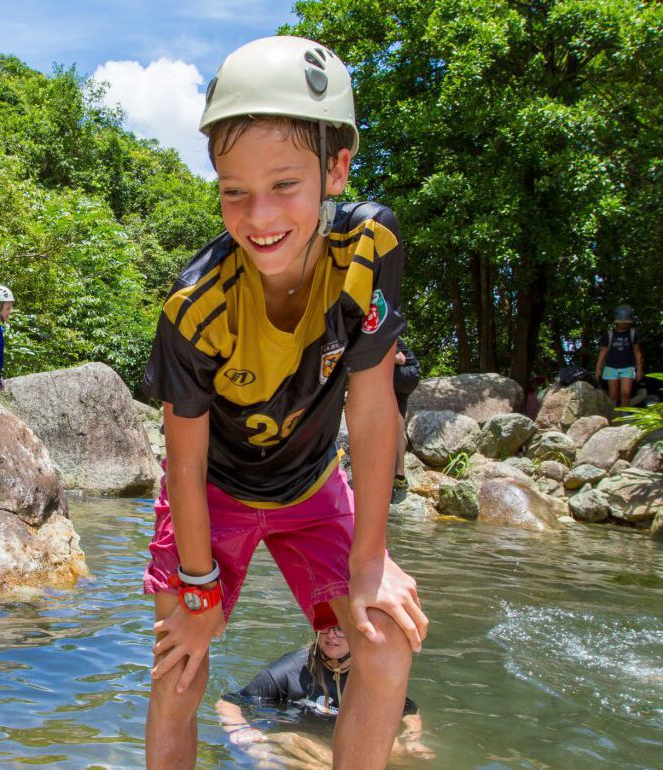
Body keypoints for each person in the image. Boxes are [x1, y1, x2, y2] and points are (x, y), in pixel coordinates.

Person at [141, 36, 426, 770]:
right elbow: (184, 457)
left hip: (310, 486)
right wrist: (199, 590)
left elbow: (370, 406)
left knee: (386, 634)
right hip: (213, 493)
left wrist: (371, 560)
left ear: (337, 167)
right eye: (234, 190)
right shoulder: (194, 306)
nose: (258, 215)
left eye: (285, 185)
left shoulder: (369, 246)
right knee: (181, 663)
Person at [216, 625, 432, 764]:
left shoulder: (370, 671)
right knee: (295, 751)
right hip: (300, 741)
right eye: (325, 628)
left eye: (340, 628)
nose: (331, 635)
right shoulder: (292, 669)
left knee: (398, 753)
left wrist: (412, 737)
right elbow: (230, 701)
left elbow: (408, 710)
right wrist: (239, 729)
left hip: (349, 741)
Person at [594, 304, 643, 408]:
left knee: (626, 393)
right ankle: (614, 416)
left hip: (628, 367)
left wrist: (639, 369)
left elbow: (637, 352)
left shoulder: (633, 333)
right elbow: (603, 351)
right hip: (611, 367)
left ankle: (624, 415)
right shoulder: (610, 334)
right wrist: (598, 367)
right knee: (613, 395)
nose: (623, 325)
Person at [391, 339, 420, 500]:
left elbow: (400, 359)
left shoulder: (382, 329)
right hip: (409, 376)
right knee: (398, 425)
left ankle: (387, 472)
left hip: (405, 373)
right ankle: (400, 476)